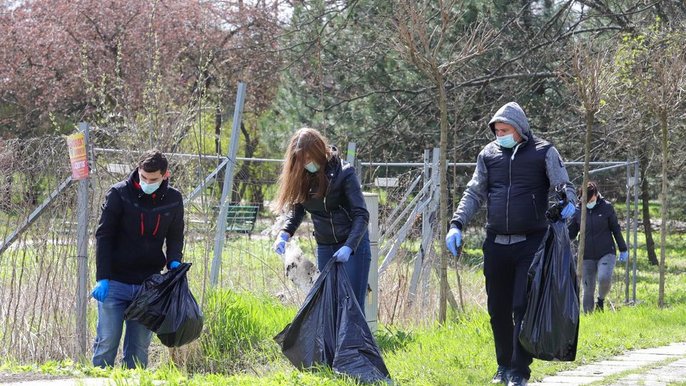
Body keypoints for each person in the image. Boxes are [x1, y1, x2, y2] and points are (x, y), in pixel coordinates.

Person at [445, 102, 576, 386]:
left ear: (519, 129)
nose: (499, 135)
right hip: (495, 243)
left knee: (521, 306)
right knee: (498, 309)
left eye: (504, 130)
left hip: (531, 243)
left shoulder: (544, 152)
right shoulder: (488, 155)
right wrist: (456, 224)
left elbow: (563, 185)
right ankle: (503, 366)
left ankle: (519, 371)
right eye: (496, 131)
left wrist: (569, 202)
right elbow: (474, 192)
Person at [91, 149, 184, 368]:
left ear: (165, 175)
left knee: (139, 348)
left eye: (153, 179)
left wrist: (174, 261)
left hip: (149, 286)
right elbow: (104, 236)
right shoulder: (119, 193)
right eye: (143, 177)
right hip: (115, 282)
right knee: (106, 342)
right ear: (138, 170)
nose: (146, 182)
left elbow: (175, 235)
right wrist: (102, 277)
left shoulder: (173, 199)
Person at [272, 128, 370, 311]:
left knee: (352, 307)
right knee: (328, 306)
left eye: (309, 158)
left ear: (319, 152)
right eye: (302, 161)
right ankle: (330, 341)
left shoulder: (345, 173)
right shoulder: (302, 177)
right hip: (325, 246)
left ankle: (356, 341)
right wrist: (284, 234)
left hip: (352, 245)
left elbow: (361, 214)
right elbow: (297, 210)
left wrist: (349, 246)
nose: (307, 164)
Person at [568, 181, 628, 313]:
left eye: (591, 199)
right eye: (586, 200)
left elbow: (615, 229)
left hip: (606, 251)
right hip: (586, 254)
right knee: (588, 288)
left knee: (604, 278)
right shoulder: (578, 210)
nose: (589, 202)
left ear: (596, 194)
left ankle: (601, 300)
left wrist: (623, 248)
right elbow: (571, 233)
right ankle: (589, 316)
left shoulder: (606, 207)